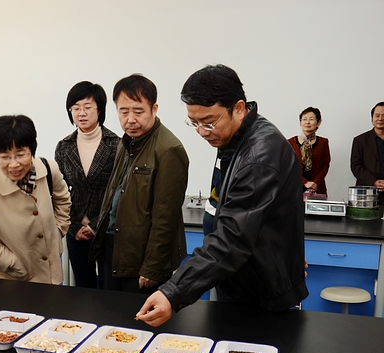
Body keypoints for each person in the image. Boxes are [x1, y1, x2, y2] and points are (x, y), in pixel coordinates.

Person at [137, 65, 308, 326]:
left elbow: (233, 237)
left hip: (261, 294)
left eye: (208, 122)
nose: (202, 131)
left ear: (238, 108)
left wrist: (173, 292)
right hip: (241, 277)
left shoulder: (258, 156)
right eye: (194, 123)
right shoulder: (233, 137)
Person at [89, 74, 189, 293]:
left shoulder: (169, 150)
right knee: (109, 312)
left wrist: (153, 267)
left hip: (142, 257)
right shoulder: (126, 142)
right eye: (123, 112)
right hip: (114, 247)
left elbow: (166, 217)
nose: (130, 119)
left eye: (138, 111)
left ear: (154, 109)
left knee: (137, 314)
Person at [0, 115, 71, 284]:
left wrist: (57, 234)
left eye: (20, 154)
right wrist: (13, 264)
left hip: (51, 275)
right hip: (11, 281)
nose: (14, 164)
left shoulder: (49, 169)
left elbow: (63, 200)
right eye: (5, 157)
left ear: (32, 150)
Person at [54, 81, 120, 288]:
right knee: (83, 287)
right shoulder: (64, 147)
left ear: (99, 110)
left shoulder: (116, 145)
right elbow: (59, 192)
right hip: (75, 230)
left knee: (109, 288)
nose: (81, 113)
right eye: (75, 108)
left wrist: (94, 226)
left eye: (87, 107)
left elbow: (119, 192)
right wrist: (74, 227)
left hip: (107, 229)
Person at [288, 107, 331, 196]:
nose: (307, 122)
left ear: (318, 122)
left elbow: (325, 165)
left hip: (317, 188)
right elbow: (288, 166)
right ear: (300, 122)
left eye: (311, 119)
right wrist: (305, 182)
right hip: (295, 188)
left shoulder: (323, 142)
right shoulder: (290, 142)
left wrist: (315, 183)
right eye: (304, 119)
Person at [351, 102, 384, 204]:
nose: (380, 118)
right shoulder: (360, 140)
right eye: (377, 115)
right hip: (366, 192)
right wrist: (374, 181)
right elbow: (356, 166)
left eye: (383, 115)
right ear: (372, 118)